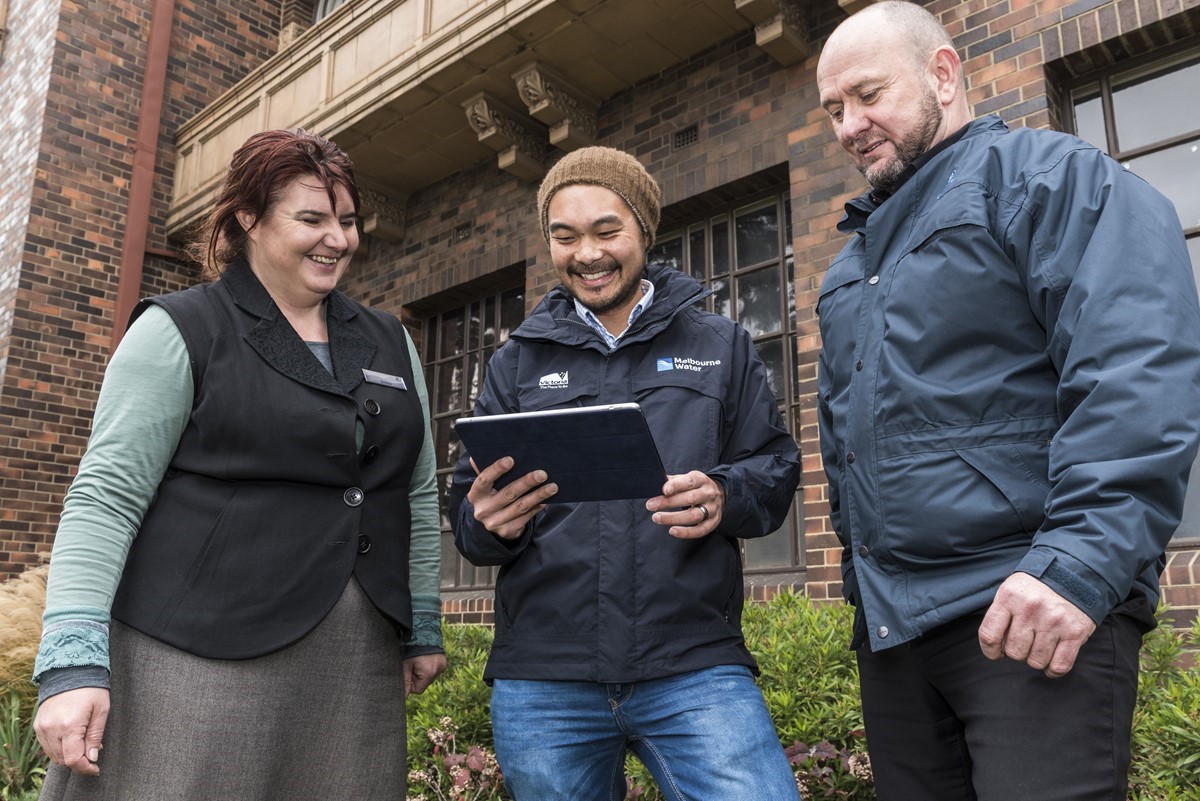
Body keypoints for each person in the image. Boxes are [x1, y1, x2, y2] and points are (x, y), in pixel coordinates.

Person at [814, 3, 1200, 800]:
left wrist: (1078, 565)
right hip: (895, 636)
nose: (850, 125)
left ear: (944, 75)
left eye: (868, 94)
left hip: (1029, 606)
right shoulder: (848, 270)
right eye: (833, 110)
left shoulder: (1051, 177)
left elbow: (1136, 369)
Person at [32, 128, 445, 800]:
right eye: (310, 219)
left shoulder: (389, 339)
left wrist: (420, 619)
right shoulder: (180, 328)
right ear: (247, 218)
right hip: (195, 649)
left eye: (346, 220)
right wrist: (71, 665)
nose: (336, 239)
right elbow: (105, 497)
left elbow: (415, 487)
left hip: (353, 652)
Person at [448, 146, 802, 801]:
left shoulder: (719, 343)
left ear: (643, 229)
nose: (587, 253)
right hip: (545, 673)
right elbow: (467, 515)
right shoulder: (516, 362)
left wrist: (727, 493)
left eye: (606, 231)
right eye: (565, 235)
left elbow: (775, 469)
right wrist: (486, 522)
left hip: (691, 660)